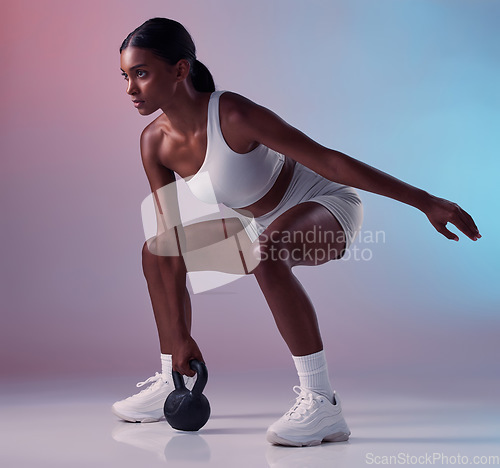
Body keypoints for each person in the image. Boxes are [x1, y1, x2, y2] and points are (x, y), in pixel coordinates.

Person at [112, 17, 481, 447]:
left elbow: (332, 162)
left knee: (266, 255)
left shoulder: (232, 113)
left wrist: (426, 202)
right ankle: (169, 379)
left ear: (179, 69)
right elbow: (171, 237)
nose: (130, 89)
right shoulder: (153, 142)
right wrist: (180, 339)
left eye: (141, 73)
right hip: (258, 222)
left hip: (326, 206)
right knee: (156, 250)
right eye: (125, 75)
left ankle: (322, 403)